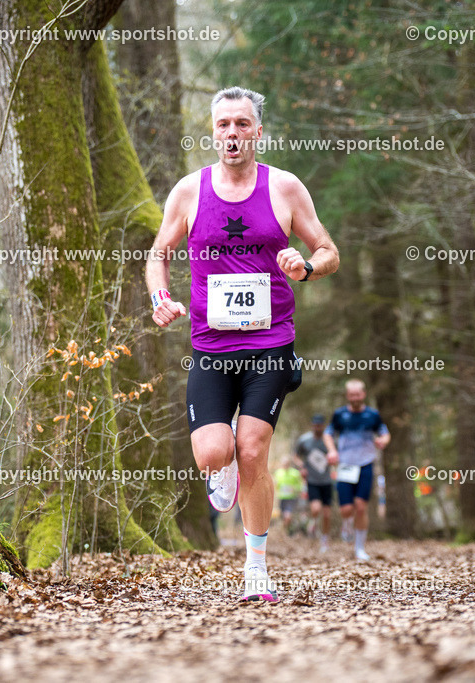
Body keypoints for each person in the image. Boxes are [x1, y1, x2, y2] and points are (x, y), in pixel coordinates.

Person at [146, 86, 339, 601]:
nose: (233, 133)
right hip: (211, 346)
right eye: (224, 125)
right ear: (213, 132)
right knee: (215, 452)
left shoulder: (285, 188)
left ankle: (256, 567)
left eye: (242, 124)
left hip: (271, 344)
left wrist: (307, 267)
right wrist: (161, 297)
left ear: (258, 130)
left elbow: (327, 249)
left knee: (254, 451)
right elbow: (157, 253)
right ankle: (222, 462)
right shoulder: (189, 192)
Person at [323, 379, 390, 560]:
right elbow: (328, 434)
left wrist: (382, 441)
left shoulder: (372, 415)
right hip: (345, 464)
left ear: (364, 394)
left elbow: (385, 433)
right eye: (351, 395)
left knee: (361, 507)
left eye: (358, 394)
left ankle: (359, 547)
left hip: (366, 463)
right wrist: (331, 451)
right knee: (346, 509)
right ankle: (347, 523)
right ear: (347, 396)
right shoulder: (339, 415)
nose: (355, 398)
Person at [293, 413, 333, 553]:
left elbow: (336, 455)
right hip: (312, 480)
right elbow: (296, 456)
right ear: (312, 425)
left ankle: (325, 539)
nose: (318, 428)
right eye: (315, 425)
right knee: (316, 509)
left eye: (320, 425)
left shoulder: (329, 440)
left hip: (327, 480)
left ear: (324, 426)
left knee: (327, 514)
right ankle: (313, 523)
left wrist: (332, 460)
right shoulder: (305, 440)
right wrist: (302, 467)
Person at [273, 459, 303, 535]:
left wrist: (295, 489)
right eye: (283, 464)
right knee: (283, 516)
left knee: (288, 516)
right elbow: (276, 485)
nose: (285, 466)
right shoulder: (278, 473)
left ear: (289, 464)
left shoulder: (295, 473)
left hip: (291, 498)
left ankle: (286, 531)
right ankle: (286, 530)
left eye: (286, 464)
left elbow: (300, 485)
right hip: (281, 498)